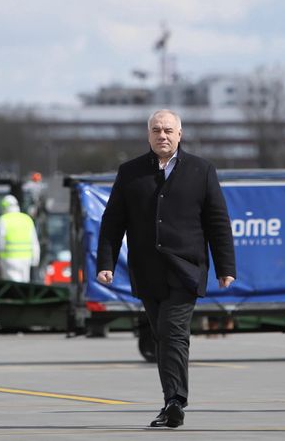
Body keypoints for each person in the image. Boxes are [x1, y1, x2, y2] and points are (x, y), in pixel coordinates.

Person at [96, 109, 236, 429]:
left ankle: (175, 401)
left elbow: (217, 222)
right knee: (163, 336)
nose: (163, 135)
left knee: (172, 332)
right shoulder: (130, 172)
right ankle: (169, 400)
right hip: (147, 270)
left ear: (180, 133)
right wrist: (106, 263)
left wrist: (225, 266)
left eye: (169, 130)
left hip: (186, 269)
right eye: (157, 130)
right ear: (148, 136)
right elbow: (112, 222)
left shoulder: (201, 170)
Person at [0, 194, 41, 283]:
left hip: (9, 259)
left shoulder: (3, 219)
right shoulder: (27, 219)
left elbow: (0, 241)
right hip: (26, 260)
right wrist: (35, 259)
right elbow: (34, 241)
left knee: (10, 286)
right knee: (23, 286)